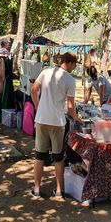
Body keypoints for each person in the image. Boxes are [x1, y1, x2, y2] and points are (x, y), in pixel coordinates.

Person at [30, 52, 82, 199]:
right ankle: (59, 191)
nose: (74, 68)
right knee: (58, 157)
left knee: (39, 155)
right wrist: (76, 117)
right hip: (58, 122)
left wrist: (38, 107)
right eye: (74, 65)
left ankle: (37, 190)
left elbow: (34, 90)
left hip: (41, 119)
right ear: (70, 63)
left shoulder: (46, 72)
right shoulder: (70, 80)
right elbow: (71, 106)